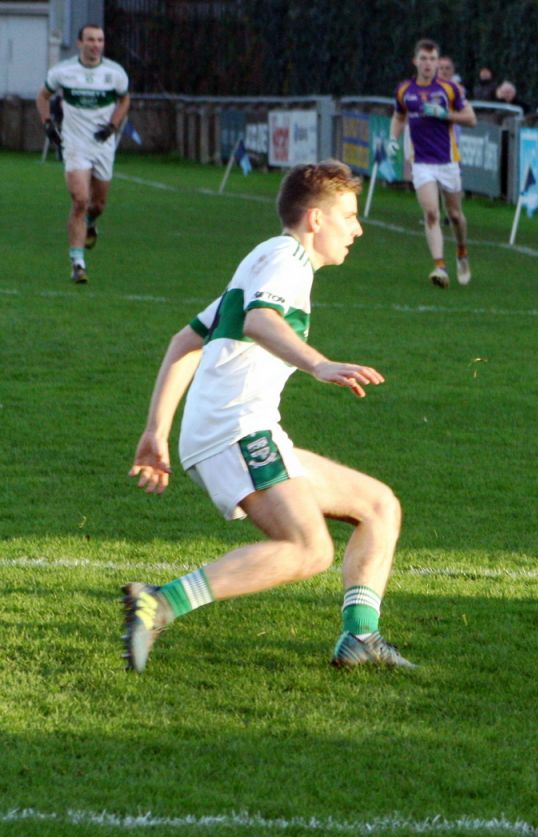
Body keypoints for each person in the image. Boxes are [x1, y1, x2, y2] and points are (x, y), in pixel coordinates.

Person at [122, 160, 414, 673]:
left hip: (236, 428)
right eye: (349, 215)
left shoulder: (264, 259)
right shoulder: (287, 259)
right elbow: (261, 320)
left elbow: (185, 341)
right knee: (308, 548)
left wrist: (156, 431)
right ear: (316, 220)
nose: (358, 229)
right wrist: (318, 363)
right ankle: (161, 602)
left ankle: (360, 637)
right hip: (236, 430)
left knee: (378, 506)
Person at [35, 24, 130, 285]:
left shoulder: (114, 73)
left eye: (100, 40)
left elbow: (125, 99)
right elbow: (42, 97)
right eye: (90, 40)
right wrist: (47, 123)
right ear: (79, 43)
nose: (95, 44)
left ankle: (90, 222)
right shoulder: (63, 72)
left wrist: (113, 125)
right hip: (75, 144)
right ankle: (77, 263)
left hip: (102, 145)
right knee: (80, 199)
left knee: (97, 205)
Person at [391, 38, 477, 288]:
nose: (428, 64)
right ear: (415, 61)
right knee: (431, 212)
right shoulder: (404, 90)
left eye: (432, 59)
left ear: (437, 62)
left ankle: (462, 252)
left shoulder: (450, 90)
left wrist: (446, 115)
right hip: (422, 162)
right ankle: (440, 267)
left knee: (455, 215)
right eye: (424, 59)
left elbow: (471, 119)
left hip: (448, 160)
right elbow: (398, 116)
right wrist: (392, 139)